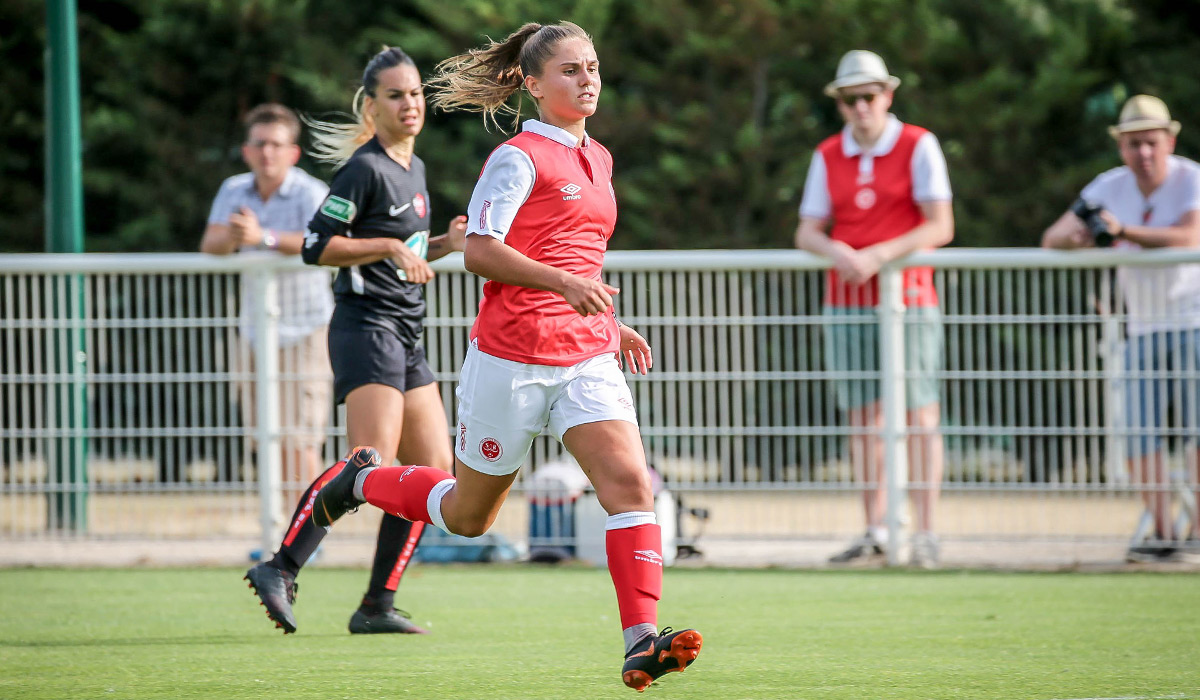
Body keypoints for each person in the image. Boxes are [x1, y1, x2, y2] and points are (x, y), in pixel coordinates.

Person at [307, 22, 703, 692]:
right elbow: (482, 251)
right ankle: (359, 483)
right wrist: (565, 285)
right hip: (512, 359)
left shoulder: (598, 157)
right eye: (571, 71)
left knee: (632, 487)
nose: (588, 80)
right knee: (468, 516)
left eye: (593, 67)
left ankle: (640, 642)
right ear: (533, 84)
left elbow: (579, 260)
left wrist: (612, 324)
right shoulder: (516, 158)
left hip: (584, 358)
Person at [243, 47, 468, 634]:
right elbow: (318, 245)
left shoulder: (413, 169)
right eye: (395, 95)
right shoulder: (364, 169)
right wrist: (389, 247)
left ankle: (377, 606)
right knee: (369, 464)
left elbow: (405, 247)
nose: (410, 103)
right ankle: (281, 566)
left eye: (416, 92)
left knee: (433, 469)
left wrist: (442, 243)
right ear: (372, 106)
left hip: (406, 331)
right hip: (365, 326)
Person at [793, 50, 954, 568]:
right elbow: (807, 231)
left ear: (888, 95)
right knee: (863, 417)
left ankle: (925, 532)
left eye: (869, 95)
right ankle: (876, 529)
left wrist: (881, 256)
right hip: (846, 301)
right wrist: (837, 250)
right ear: (840, 104)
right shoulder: (827, 153)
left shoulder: (918, 144)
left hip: (909, 298)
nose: (861, 106)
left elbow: (940, 225)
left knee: (920, 415)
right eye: (850, 98)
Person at [1041, 94, 1200, 562]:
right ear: (1121, 147)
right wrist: (1080, 239)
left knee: (1198, 433)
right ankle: (1163, 532)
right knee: (1139, 432)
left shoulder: (1192, 179)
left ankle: (1197, 534)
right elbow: (1051, 238)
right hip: (1140, 327)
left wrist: (1125, 232)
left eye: (1150, 142)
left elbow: (1192, 236)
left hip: (1194, 320)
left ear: (1169, 140)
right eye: (1133, 144)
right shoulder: (1108, 186)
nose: (1143, 153)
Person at [200, 103, 334, 509]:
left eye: (276, 144)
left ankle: (306, 533)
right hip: (255, 331)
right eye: (259, 144)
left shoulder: (311, 191)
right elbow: (211, 246)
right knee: (263, 436)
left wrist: (263, 237)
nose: (267, 153)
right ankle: (276, 529)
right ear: (247, 150)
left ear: (293, 152)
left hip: (306, 329)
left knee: (301, 439)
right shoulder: (233, 189)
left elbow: (322, 244)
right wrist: (238, 237)